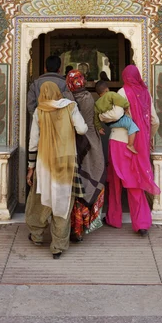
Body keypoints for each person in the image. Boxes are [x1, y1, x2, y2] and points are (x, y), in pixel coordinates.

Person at [26, 81, 88, 259]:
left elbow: (33, 142)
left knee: (40, 199)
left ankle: (37, 236)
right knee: (63, 201)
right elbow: (82, 130)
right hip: (66, 161)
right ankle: (58, 246)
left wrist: (30, 168)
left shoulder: (40, 110)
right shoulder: (71, 107)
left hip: (44, 162)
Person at [104, 65, 160, 236]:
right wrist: (148, 137)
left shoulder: (123, 91)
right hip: (138, 142)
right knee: (135, 181)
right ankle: (141, 223)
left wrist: (101, 116)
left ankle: (114, 218)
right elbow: (154, 120)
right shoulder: (145, 93)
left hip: (119, 142)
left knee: (115, 180)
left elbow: (115, 115)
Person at [66, 70, 106, 242]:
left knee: (76, 186)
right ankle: (83, 226)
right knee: (88, 182)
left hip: (77, 143)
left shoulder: (68, 100)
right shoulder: (89, 97)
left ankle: (76, 228)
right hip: (92, 143)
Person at [94, 80, 139, 154]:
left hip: (110, 124)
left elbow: (96, 117)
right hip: (119, 121)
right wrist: (126, 106)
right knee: (132, 126)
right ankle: (130, 145)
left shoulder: (97, 103)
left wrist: (99, 128)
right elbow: (120, 100)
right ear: (107, 89)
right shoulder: (110, 94)